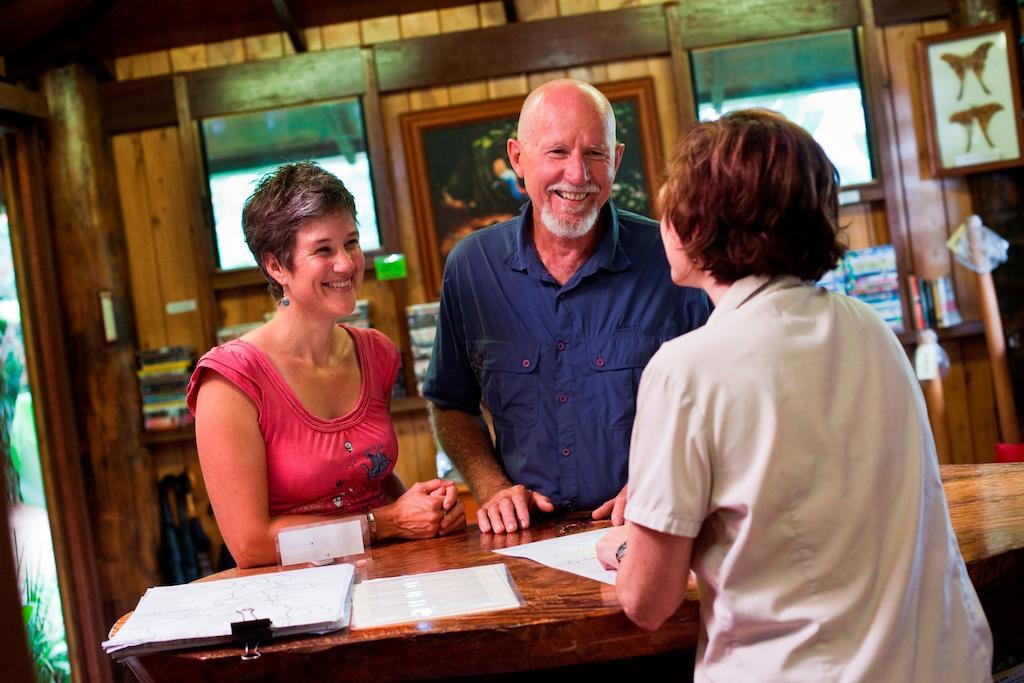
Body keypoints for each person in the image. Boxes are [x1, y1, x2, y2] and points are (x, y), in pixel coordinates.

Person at [596, 110, 992, 681]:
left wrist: (628, 547)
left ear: (699, 222)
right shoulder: (869, 326)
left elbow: (647, 603)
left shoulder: (685, 369)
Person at [423, 79, 710, 534]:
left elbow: (723, 397)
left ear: (616, 160)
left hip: (655, 528)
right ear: (518, 158)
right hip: (526, 540)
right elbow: (451, 404)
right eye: (557, 152)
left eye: (595, 154)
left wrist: (669, 483)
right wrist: (492, 487)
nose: (577, 175)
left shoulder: (672, 255)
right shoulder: (472, 267)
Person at [186, 162, 465, 569]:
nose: (347, 264)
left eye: (351, 242)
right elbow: (250, 546)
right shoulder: (229, 383)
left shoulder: (377, 353)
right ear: (276, 266)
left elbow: (371, 481)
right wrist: (385, 523)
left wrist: (426, 511)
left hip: (389, 580)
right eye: (323, 250)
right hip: (296, 604)